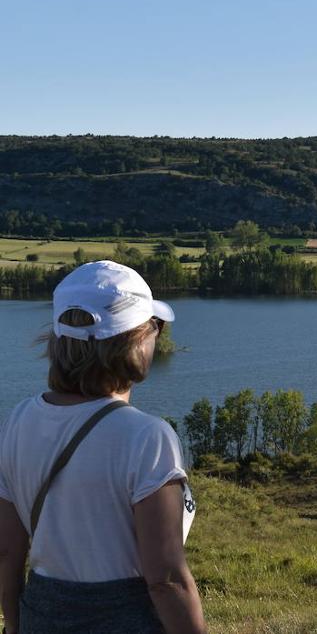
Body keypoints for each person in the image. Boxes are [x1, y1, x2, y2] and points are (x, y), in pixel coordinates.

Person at [0, 261, 206, 634]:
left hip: (42, 616)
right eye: (154, 327)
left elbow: (7, 553)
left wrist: (16, 627)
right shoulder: (147, 437)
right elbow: (166, 580)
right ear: (135, 340)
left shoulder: (17, 421)